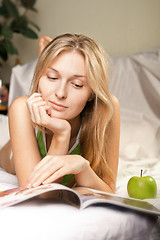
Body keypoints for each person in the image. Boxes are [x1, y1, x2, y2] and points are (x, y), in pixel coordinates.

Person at [0, 33, 120, 193]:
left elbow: (109, 188)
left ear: (92, 92)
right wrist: (62, 134)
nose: (60, 93)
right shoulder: (22, 108)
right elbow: (40, 194)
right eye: (52, 77)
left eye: (77, 84)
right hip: (10, 157)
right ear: (39, 77)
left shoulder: (106, 108)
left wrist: (83, 168)